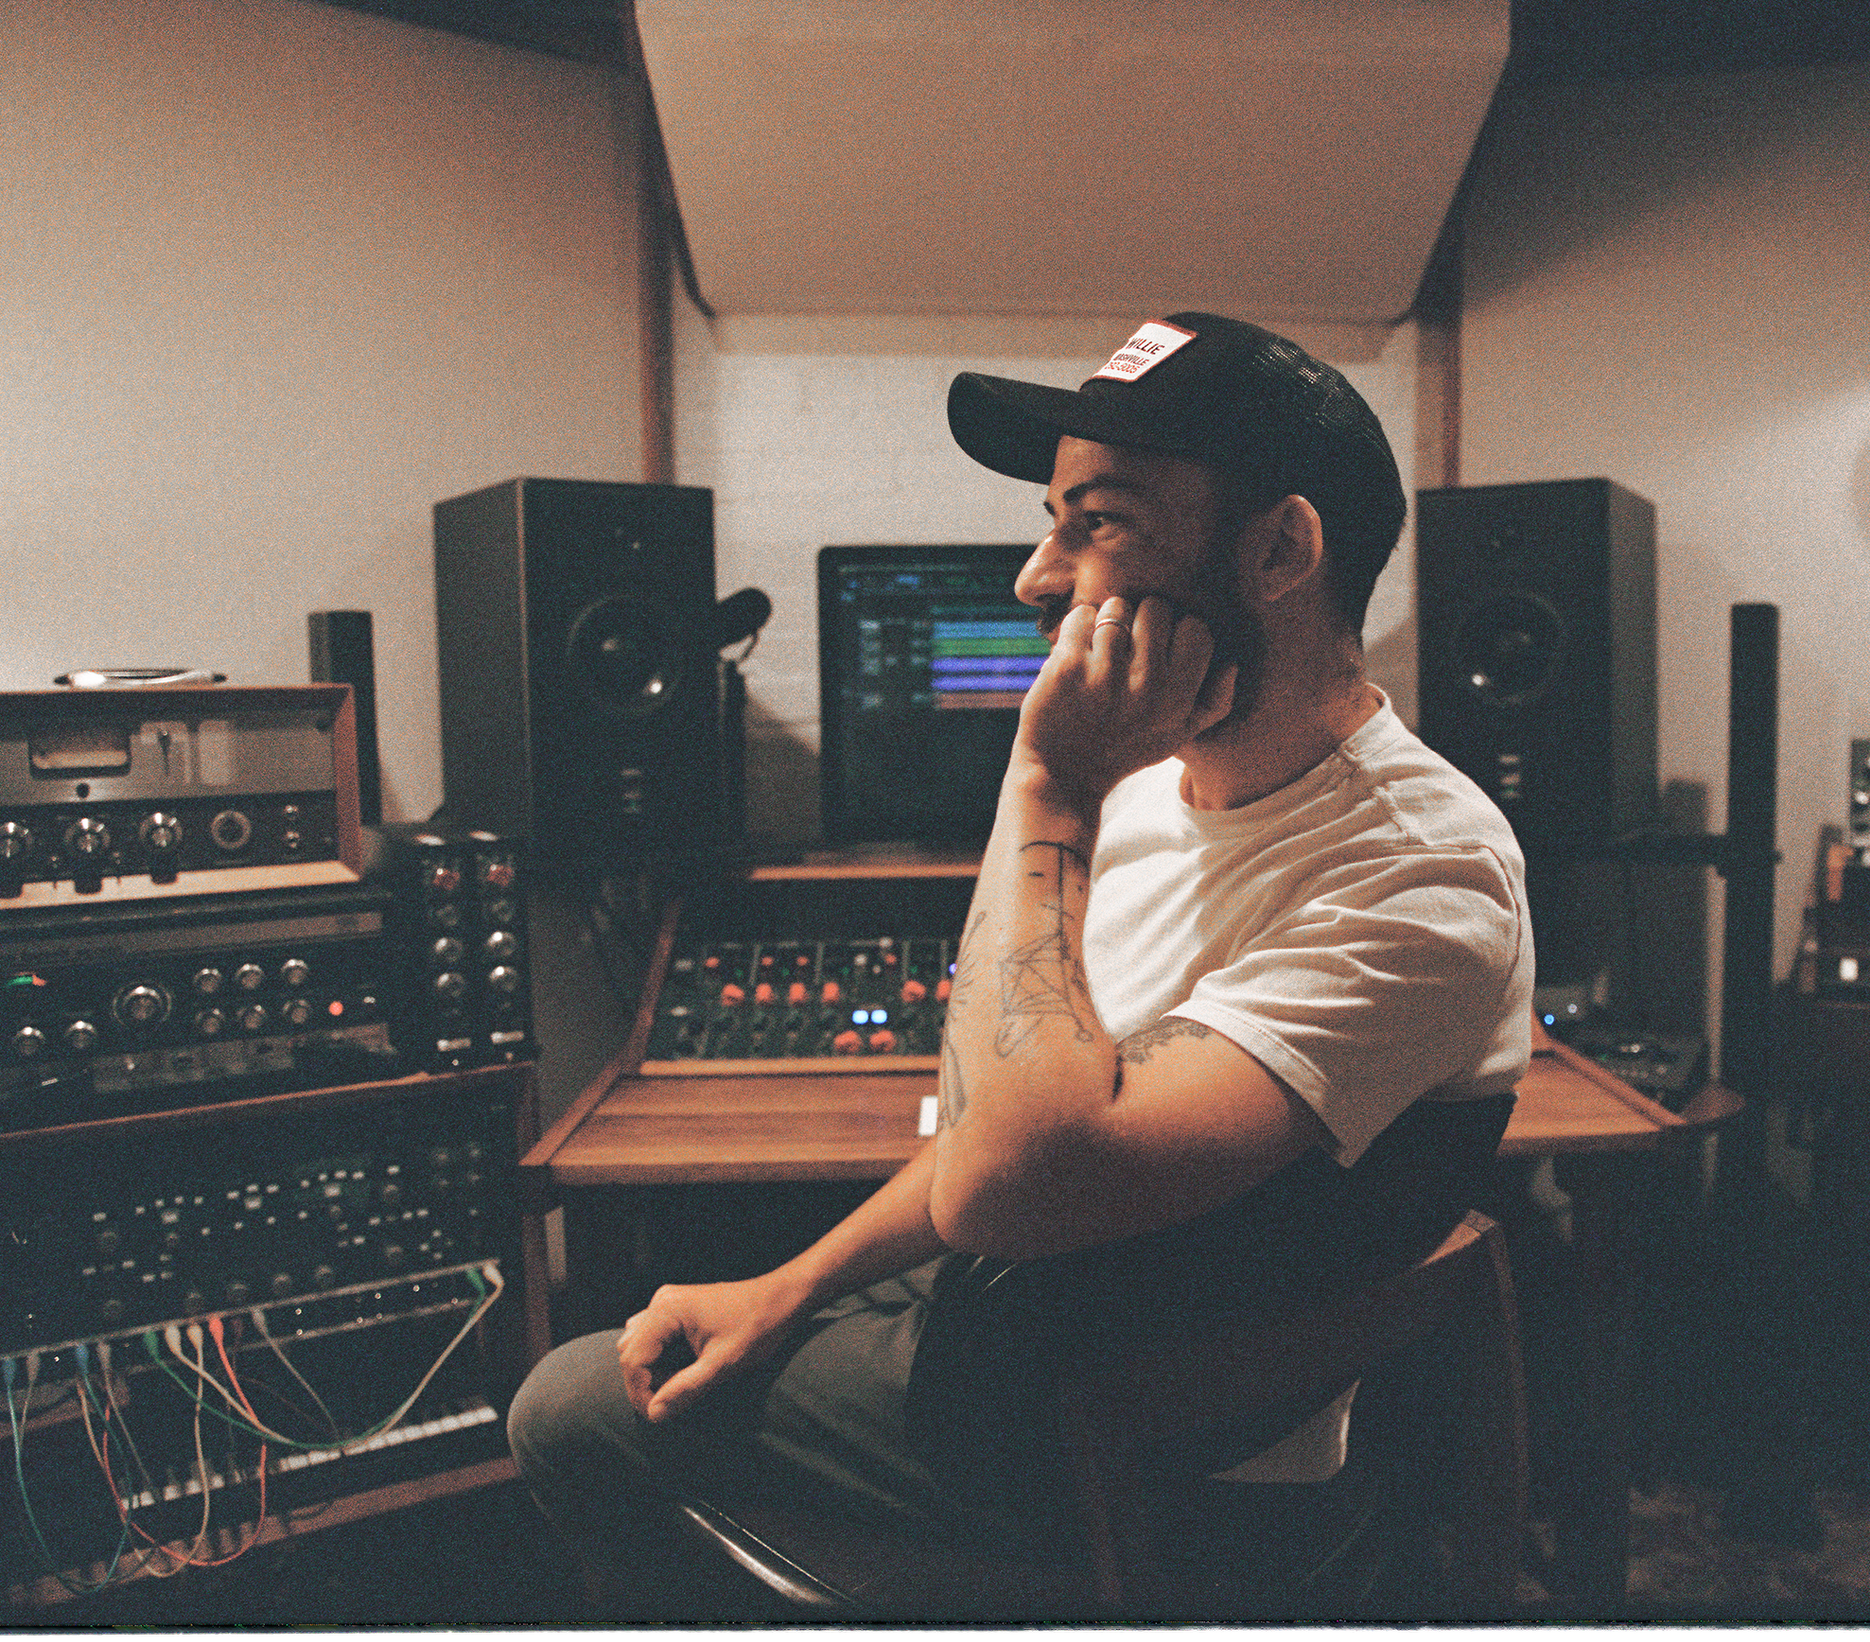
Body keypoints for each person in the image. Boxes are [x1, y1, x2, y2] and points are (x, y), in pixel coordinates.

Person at [508, 312, 1536, 1614]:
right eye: (1051, 519)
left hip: (1136, 1447)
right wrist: (787, 1286)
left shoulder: (1424, 876)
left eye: (1098, 521)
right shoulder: (1158, 782)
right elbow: (1018, 1104)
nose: (1036, 578)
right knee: (713, 1285)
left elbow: (1006, 1181)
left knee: (561, 1406)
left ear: (1280, 547)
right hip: (1031, 1319)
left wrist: (1047, 784)